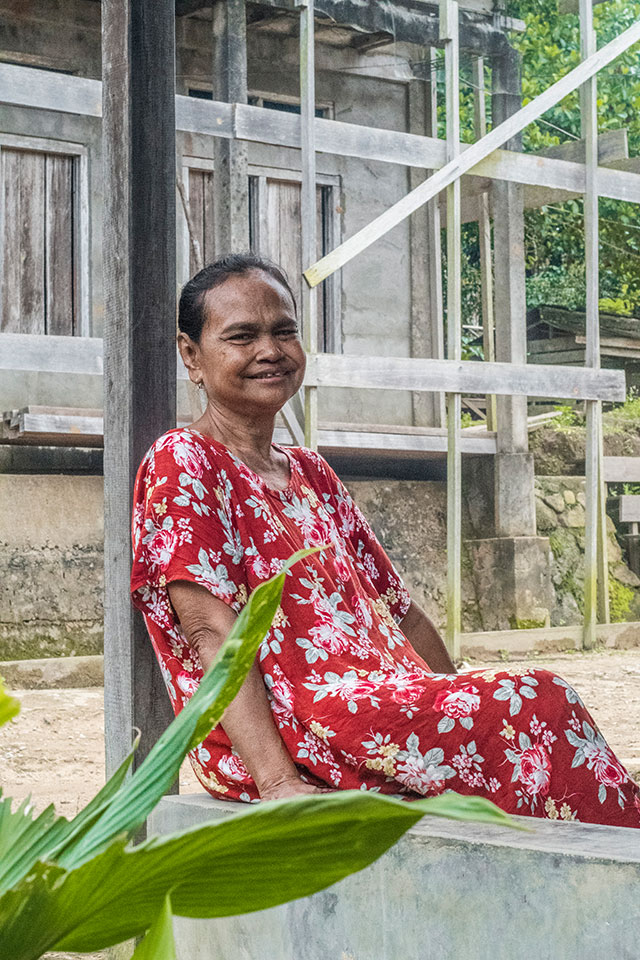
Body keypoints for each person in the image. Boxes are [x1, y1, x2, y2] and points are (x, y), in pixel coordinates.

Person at [131, 253, 640, 826]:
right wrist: (277, 782)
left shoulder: (310, 472)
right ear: (192, 356)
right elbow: (209, 630)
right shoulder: (185, 461)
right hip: (297, 729)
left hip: (379, 708)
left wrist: (454, 702)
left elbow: (401, 612)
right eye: (242, 336)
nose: (270, 351)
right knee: (537, 699)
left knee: (530, 726)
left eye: (285, 332)